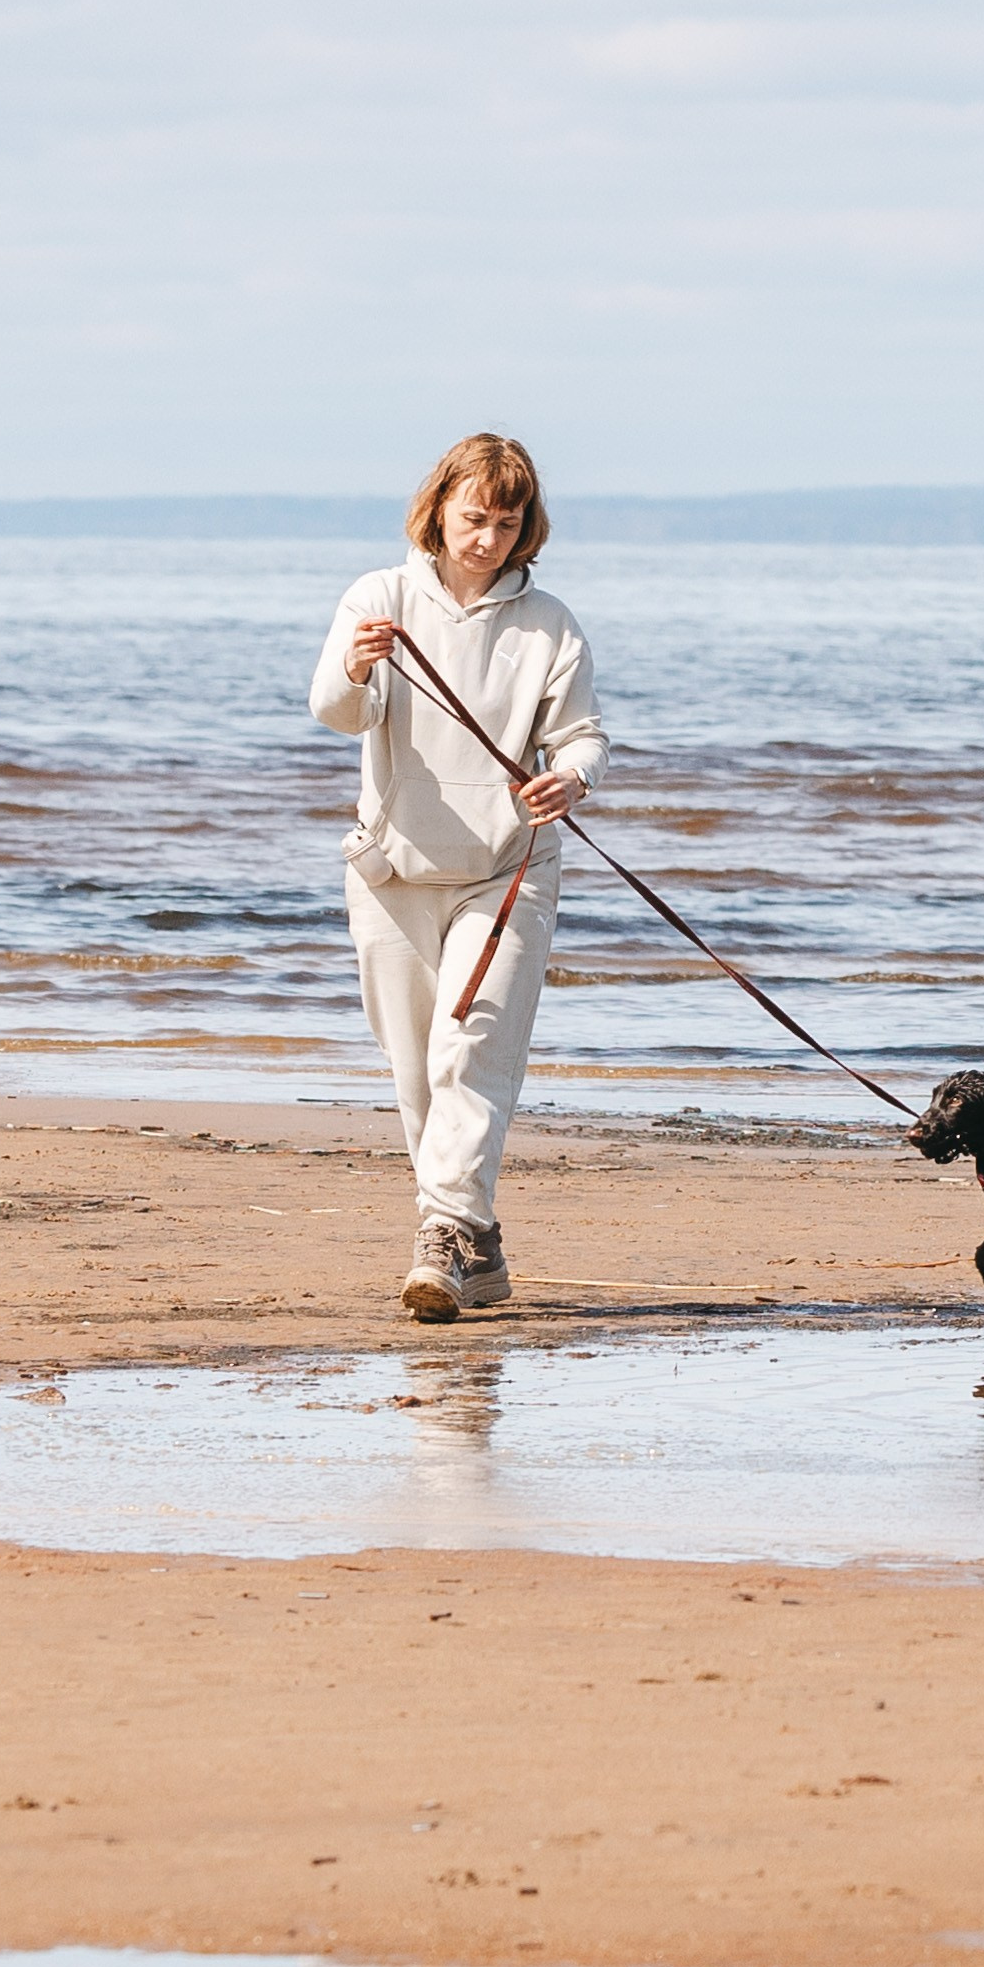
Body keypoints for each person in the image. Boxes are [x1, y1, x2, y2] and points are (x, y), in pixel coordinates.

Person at [309, 432, 608, 1322]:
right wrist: (359, 664)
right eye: (473, 517)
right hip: (392, 866)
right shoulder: (380, 595)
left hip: (509, 867)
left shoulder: (549, 621)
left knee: (468, 1051)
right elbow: (334, 708)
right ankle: (473, 1241)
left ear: (527, 529)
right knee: (415, 1073)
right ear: (438, 508)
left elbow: (583, 732)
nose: (486, 537)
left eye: (506, 522)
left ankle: (440, 1236)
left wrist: (574, 774)